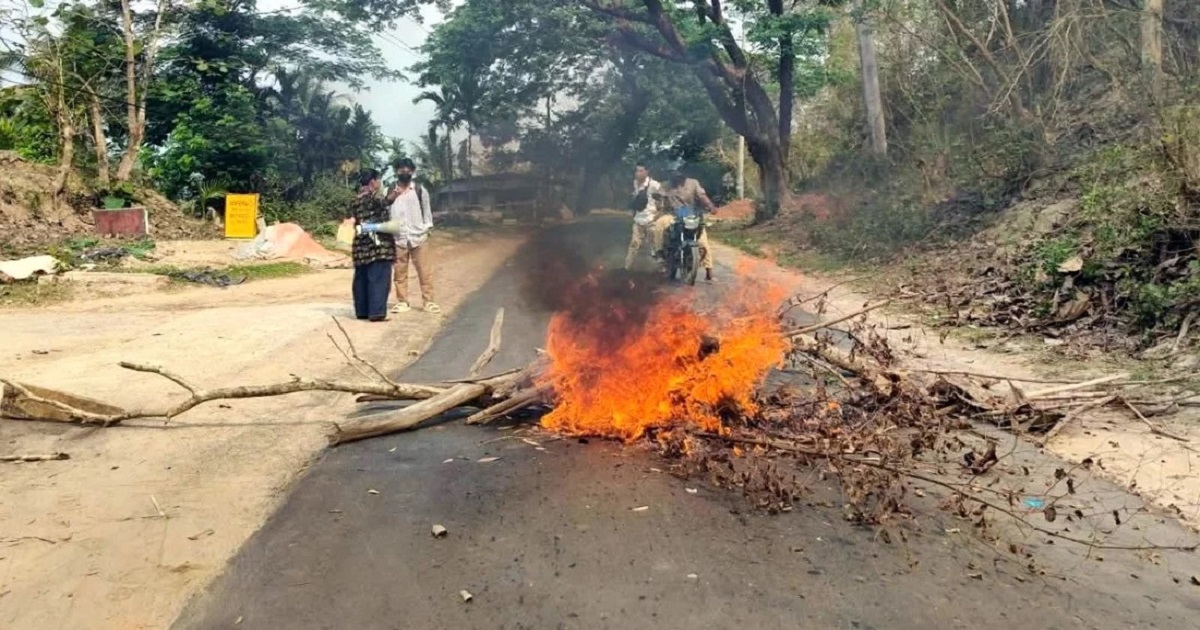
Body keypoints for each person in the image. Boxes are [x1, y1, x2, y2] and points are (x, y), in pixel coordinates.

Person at [388, 158, 439, 314]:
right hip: (398, 238)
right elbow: (385, 211)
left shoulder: (420, 190)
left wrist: (426, 229)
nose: (405, 172)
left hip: (419, 237)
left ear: (413, 171)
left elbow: (427, 212)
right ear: (396, 171)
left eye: (408, 169)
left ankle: (428, 301)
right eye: (401, 169)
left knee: (425, 271)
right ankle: (402, 301)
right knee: (399, 273)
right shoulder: (389, 192)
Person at [349, 169, 396, 322]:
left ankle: (362, 311)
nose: (380, 184)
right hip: (378, 245)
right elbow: (384, 202)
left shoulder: (355, 199)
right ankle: (376, 312)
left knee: (361, 278)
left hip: (360, 245)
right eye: (379, 180)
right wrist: (394, 195)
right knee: (378, 278)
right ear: (373, 182)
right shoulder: (374, 195)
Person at [658, 166, 718, 282]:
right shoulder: (665, 185)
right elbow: (659, 195)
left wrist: (711, 206)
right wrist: (660, 198)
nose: (677, 179)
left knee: (703, 241)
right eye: (674, 175)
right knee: (659, 225)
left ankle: (709, 272)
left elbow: (702, 196)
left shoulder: (693, 183)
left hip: (690, 214)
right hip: (672, 214)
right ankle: (660, 254)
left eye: (679, 176)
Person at [624, 163, 669, 270]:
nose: (638, 173)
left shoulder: (654, 185)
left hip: (651, 220)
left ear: (646, 172)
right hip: (638, 219)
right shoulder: (635, 184)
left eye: (641, 171)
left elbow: (663, 198)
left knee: (655, 246)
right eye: (636, 171)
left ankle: (662, 269)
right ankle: (626, 268)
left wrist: (659, 213)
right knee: (634, 244)